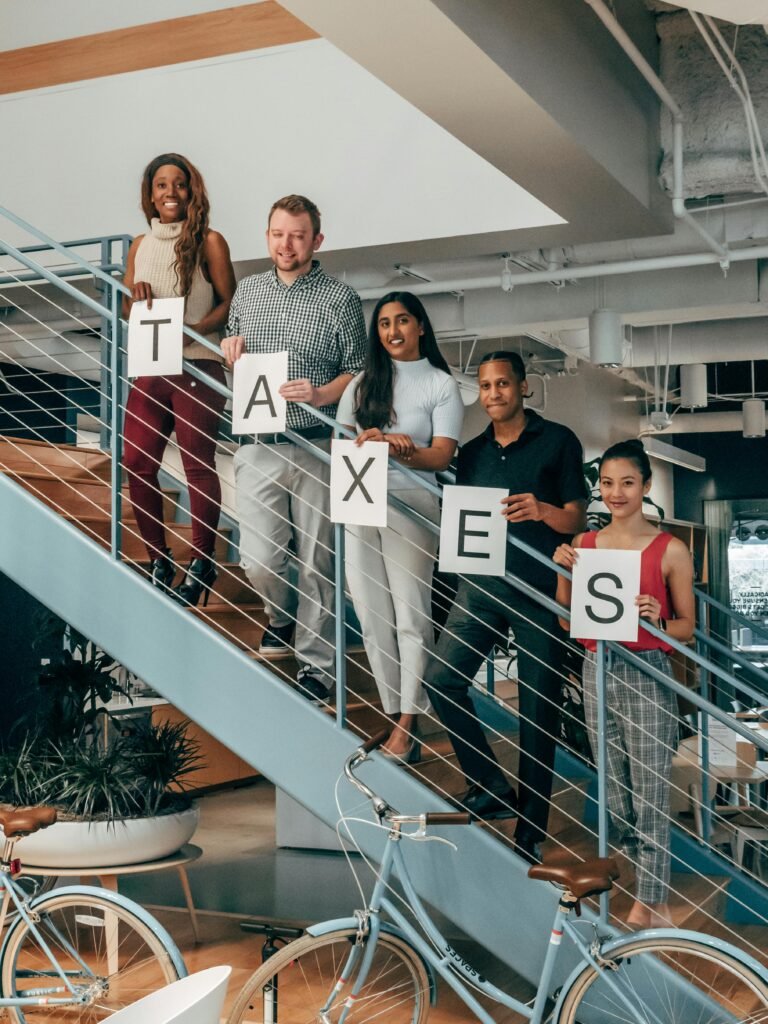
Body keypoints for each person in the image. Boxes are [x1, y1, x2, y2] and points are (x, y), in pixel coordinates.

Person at [424, 351, 587, 864]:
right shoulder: (470, 453)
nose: (494, 394)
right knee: (440, 679)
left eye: (503, 384)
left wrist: (542, 510)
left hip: (540, 591)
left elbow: (577, 519)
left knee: (537, 715)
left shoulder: (558, 441)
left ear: (522, 388)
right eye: (487, 386)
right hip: (480, 587)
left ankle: (531, 830)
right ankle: (490, 785)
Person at [221, 195, 366, 703]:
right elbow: (236, 368)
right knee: (258, 560)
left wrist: (325, 394)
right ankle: (280, 617)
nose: (287, 244)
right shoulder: (247, 291)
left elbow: (357, 370)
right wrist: (229, 352)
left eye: (298, 235)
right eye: (279, 234)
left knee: (316, 563)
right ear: (267, 237)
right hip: (256, 443)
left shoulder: (340, 298)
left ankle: (317, 668)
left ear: (316, 241)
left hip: (316, 446)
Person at [553, 439, 694, 928]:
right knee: (614, 793)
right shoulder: (587, 545)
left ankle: (650, 900)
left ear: (646, 487)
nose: (616, 493)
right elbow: (570, 618)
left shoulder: (670, 549)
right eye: (608, 483)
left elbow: (687, 629)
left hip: (647, 671)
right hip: (598, 667)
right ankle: (644, 876)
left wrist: (659, 619)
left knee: (650, 789)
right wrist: (563, 569)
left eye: (628, 483)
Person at [337, 292, 464, 761]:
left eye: (403, 321)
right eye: (385, 323)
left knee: (411, 615)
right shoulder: (361, 385)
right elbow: (339, 444)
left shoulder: (440, 384)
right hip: (359, 497)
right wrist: (364, 443)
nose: (393, 331)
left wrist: (395, 447)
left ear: (421, 327)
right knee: (371, 614)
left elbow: (443, 454)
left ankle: (408, 723)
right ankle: (393, 714)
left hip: (412, 501)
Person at [122, 153, 236, 607]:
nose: (171, 193)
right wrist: (136, 299)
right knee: (135, 460)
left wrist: (196, 331)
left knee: (195, 464)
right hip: (152, 367)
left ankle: (203, 559)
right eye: (162, 185)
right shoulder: (138, 244)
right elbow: (130, 310)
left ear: (193, 191)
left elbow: (230, 302)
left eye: (179, 184)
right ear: (150, 193)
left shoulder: (209, 240)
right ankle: (159, 558)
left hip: (195, 367)